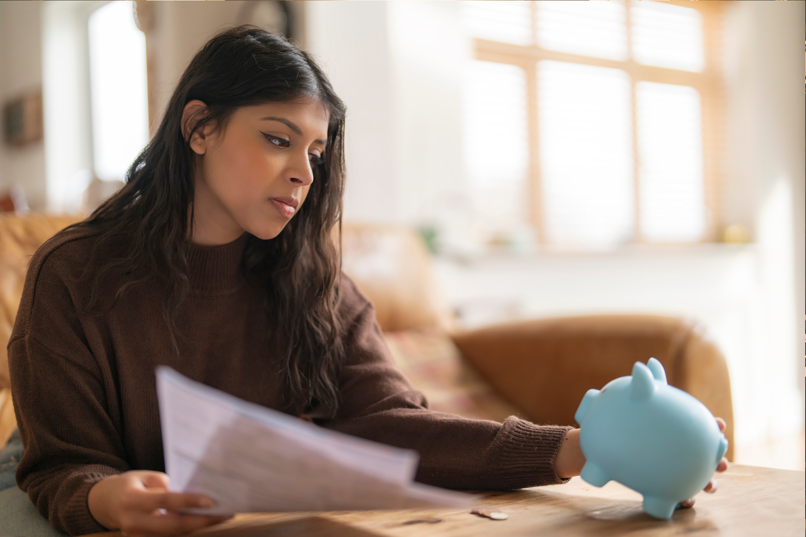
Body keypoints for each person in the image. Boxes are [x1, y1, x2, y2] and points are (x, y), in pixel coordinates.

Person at [1, 26, 728, 537]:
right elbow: (63, 461)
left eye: (316, 151)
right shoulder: (75, 273)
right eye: (278, 138)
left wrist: (575, 448)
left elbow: (388, 424)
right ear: (198, 127)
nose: (303, 172)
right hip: (60, 485)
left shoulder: (314, 284)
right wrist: (105, 497)